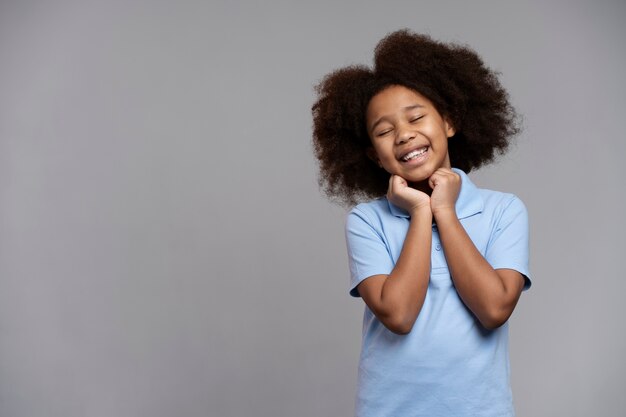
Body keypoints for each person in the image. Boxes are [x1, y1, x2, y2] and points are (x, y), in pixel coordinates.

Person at [311, 29, 531, 417]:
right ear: (374, 156)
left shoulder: (503, 211)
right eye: (384, 131)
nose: (404, 134)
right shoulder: (367, 221)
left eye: (416, 117)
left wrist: (445, 211)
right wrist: (420, 212)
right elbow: (398, 314)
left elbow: (494, 308)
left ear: (448, 121)